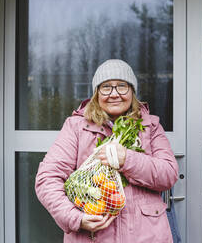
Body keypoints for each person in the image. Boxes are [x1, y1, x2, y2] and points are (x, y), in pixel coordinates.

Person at [35, 59, 179, 242]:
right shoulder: (76, 127)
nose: (114, 94)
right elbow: (47, 179)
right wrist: (75, 218)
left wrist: (127, 160)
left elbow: (169, 173)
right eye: (106, 87)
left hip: (147, 235)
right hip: (93, 236)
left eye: (122, 86)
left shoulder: (150, 126)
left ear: (132, 91)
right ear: (96, 93)